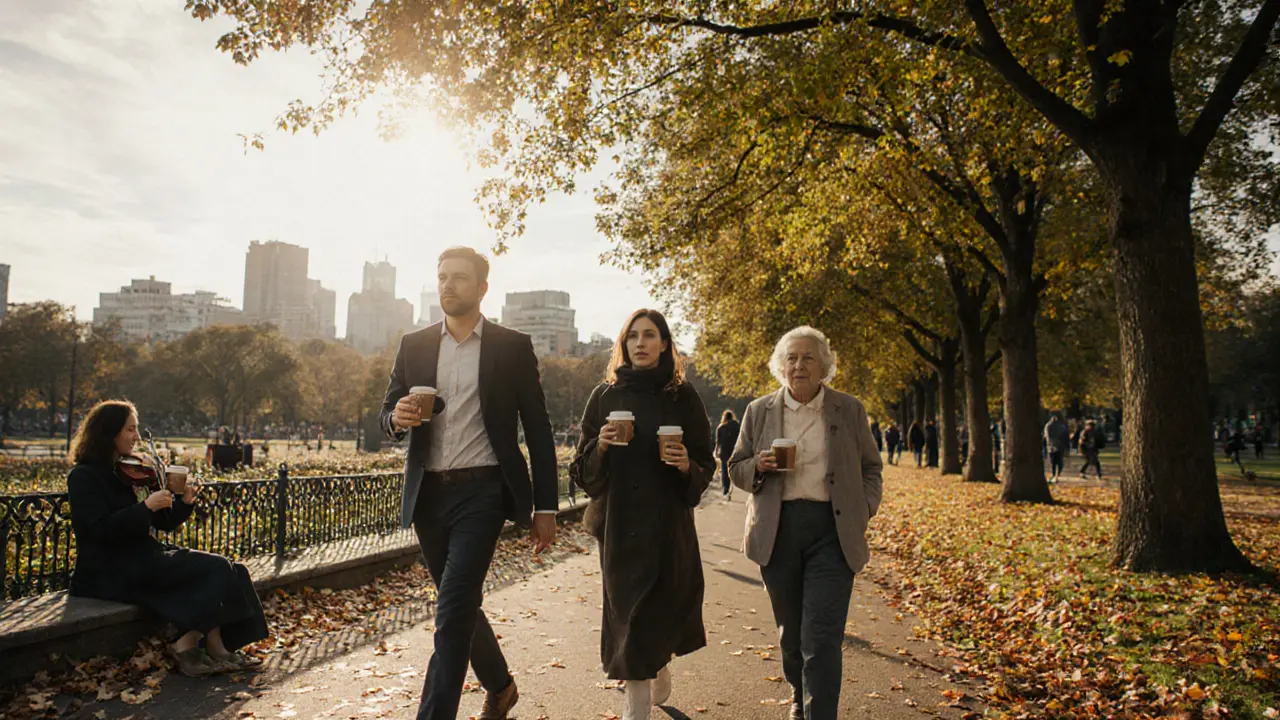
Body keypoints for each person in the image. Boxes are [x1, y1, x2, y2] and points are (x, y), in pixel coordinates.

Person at [382, 246, 559, 720]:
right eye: (442, 276)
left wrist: (547, 507)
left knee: (453, 607)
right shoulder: (413, 344)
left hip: (483, 492)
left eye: (459, 277)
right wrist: (396, 419)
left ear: (482, 288)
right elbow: (388, 412)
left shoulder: (511, 346)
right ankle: (500, 686)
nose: (448, 284)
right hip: (428, 496)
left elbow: (539, 431)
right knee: (457, 605)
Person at [727, 326, 883, 720]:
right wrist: (757, 467)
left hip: (832, 531)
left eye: (808, 358)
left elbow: (871, 467)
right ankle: (799, 692)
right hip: (778, 532)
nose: (799, 365)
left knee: (822, 637)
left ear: (824, 366)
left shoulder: (849, 409)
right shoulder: (759, 410)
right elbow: (735, 467)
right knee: (792, 636)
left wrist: (864, 507)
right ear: (781, 366)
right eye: (792, 358)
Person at [573, 309, 713, 720]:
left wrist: (687, 464)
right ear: (623, 345)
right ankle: (637, 708)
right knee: (626, 615)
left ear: (665, 343)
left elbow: (707, 461)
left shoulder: (683, 397)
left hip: (668, 526)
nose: (640, 343)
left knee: (659, 610)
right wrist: (600, 445)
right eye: (632, 336)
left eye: (649, 335)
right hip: (618, 525)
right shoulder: (604, 395)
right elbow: (580, 472)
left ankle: (659, 662)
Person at [66, 400, 267, 677]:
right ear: (108, 432)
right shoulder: (83, 477)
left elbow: (163, 523)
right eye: (130, 430)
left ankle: (217, 646)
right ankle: (186, 646)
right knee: (219, 568)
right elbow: (97, 530)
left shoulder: (125, 471)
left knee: (235, 570)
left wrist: (183, 503)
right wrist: (145, 506)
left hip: (140, 557)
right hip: (107, 569)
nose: (136, 437)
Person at [716, 410, 742, 498]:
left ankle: (725, 490)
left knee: (724, 470)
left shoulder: (721, 427)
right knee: (733, 468)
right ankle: (732, 486)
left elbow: (718, 442)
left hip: (724, 451)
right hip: (734, 450)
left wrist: (716, 451)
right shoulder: (737, 426)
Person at [1043, 415, 1070, 483]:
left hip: (1051, 447)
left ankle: (1054, 475)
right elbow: (1066, 437)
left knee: (1053, 462)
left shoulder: (1047, 426)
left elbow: (1045, 438)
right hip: (1059, 447)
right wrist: (1067, 447)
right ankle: (1056, 475)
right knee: (1059, 462)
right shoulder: (1062, 427)